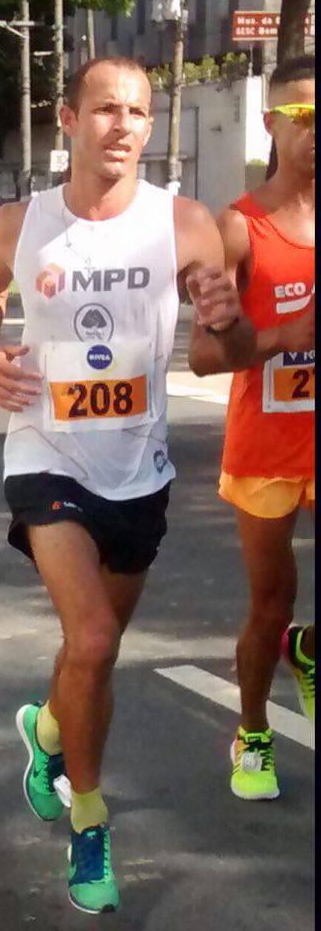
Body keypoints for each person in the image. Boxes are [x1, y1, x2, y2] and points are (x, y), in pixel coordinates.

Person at [0, 56, 254, 914]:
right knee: (91, 639)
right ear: (68, 120)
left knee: (93, 653)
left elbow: (222, 354)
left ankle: (48, 729)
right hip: (46, 454)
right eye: (104, 109)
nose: (122, 125)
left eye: (137, 111)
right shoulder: (24, 223)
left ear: (150, 125)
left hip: (139, 471)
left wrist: (226, 321)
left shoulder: (185, 224)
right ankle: (89, 820)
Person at [189, 54, 315, 802]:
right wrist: (286, 336)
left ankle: (308, 650)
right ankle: (253, 733)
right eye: (302, 115)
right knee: (272, 604)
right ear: (271, 123)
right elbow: (205, 355)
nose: (315, 129)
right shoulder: (239, 227)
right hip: (266, 447)